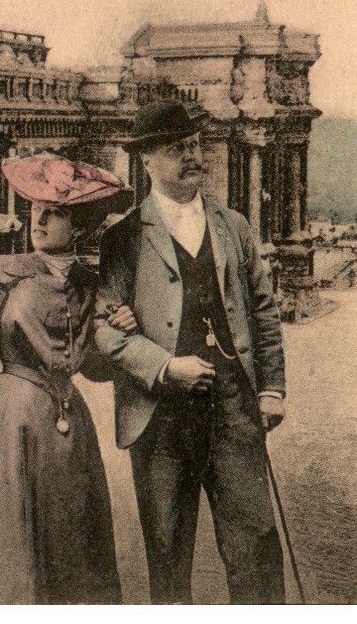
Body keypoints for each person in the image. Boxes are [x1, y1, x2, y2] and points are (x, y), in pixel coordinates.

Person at [94, 99, 288, 604]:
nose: (192, 155)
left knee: (256, 544)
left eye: (195, 144)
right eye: (176, 148)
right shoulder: (124, 239)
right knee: (168, 551)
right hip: (159, 420)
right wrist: (163, 365)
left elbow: (264, 311)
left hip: (233, 408)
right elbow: (103, 329)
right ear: (147, 161)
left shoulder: (234, 226)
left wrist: (270, 388)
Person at [0, 152, 135, 604]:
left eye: (55, 213)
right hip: (11, 418)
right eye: (35, 210)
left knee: (73, 533)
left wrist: (121, 326)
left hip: (69, 421)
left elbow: (97, 367)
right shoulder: (2, 273)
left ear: (80, 227)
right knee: (12, 538)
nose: (39, 221)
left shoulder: (90, 283)